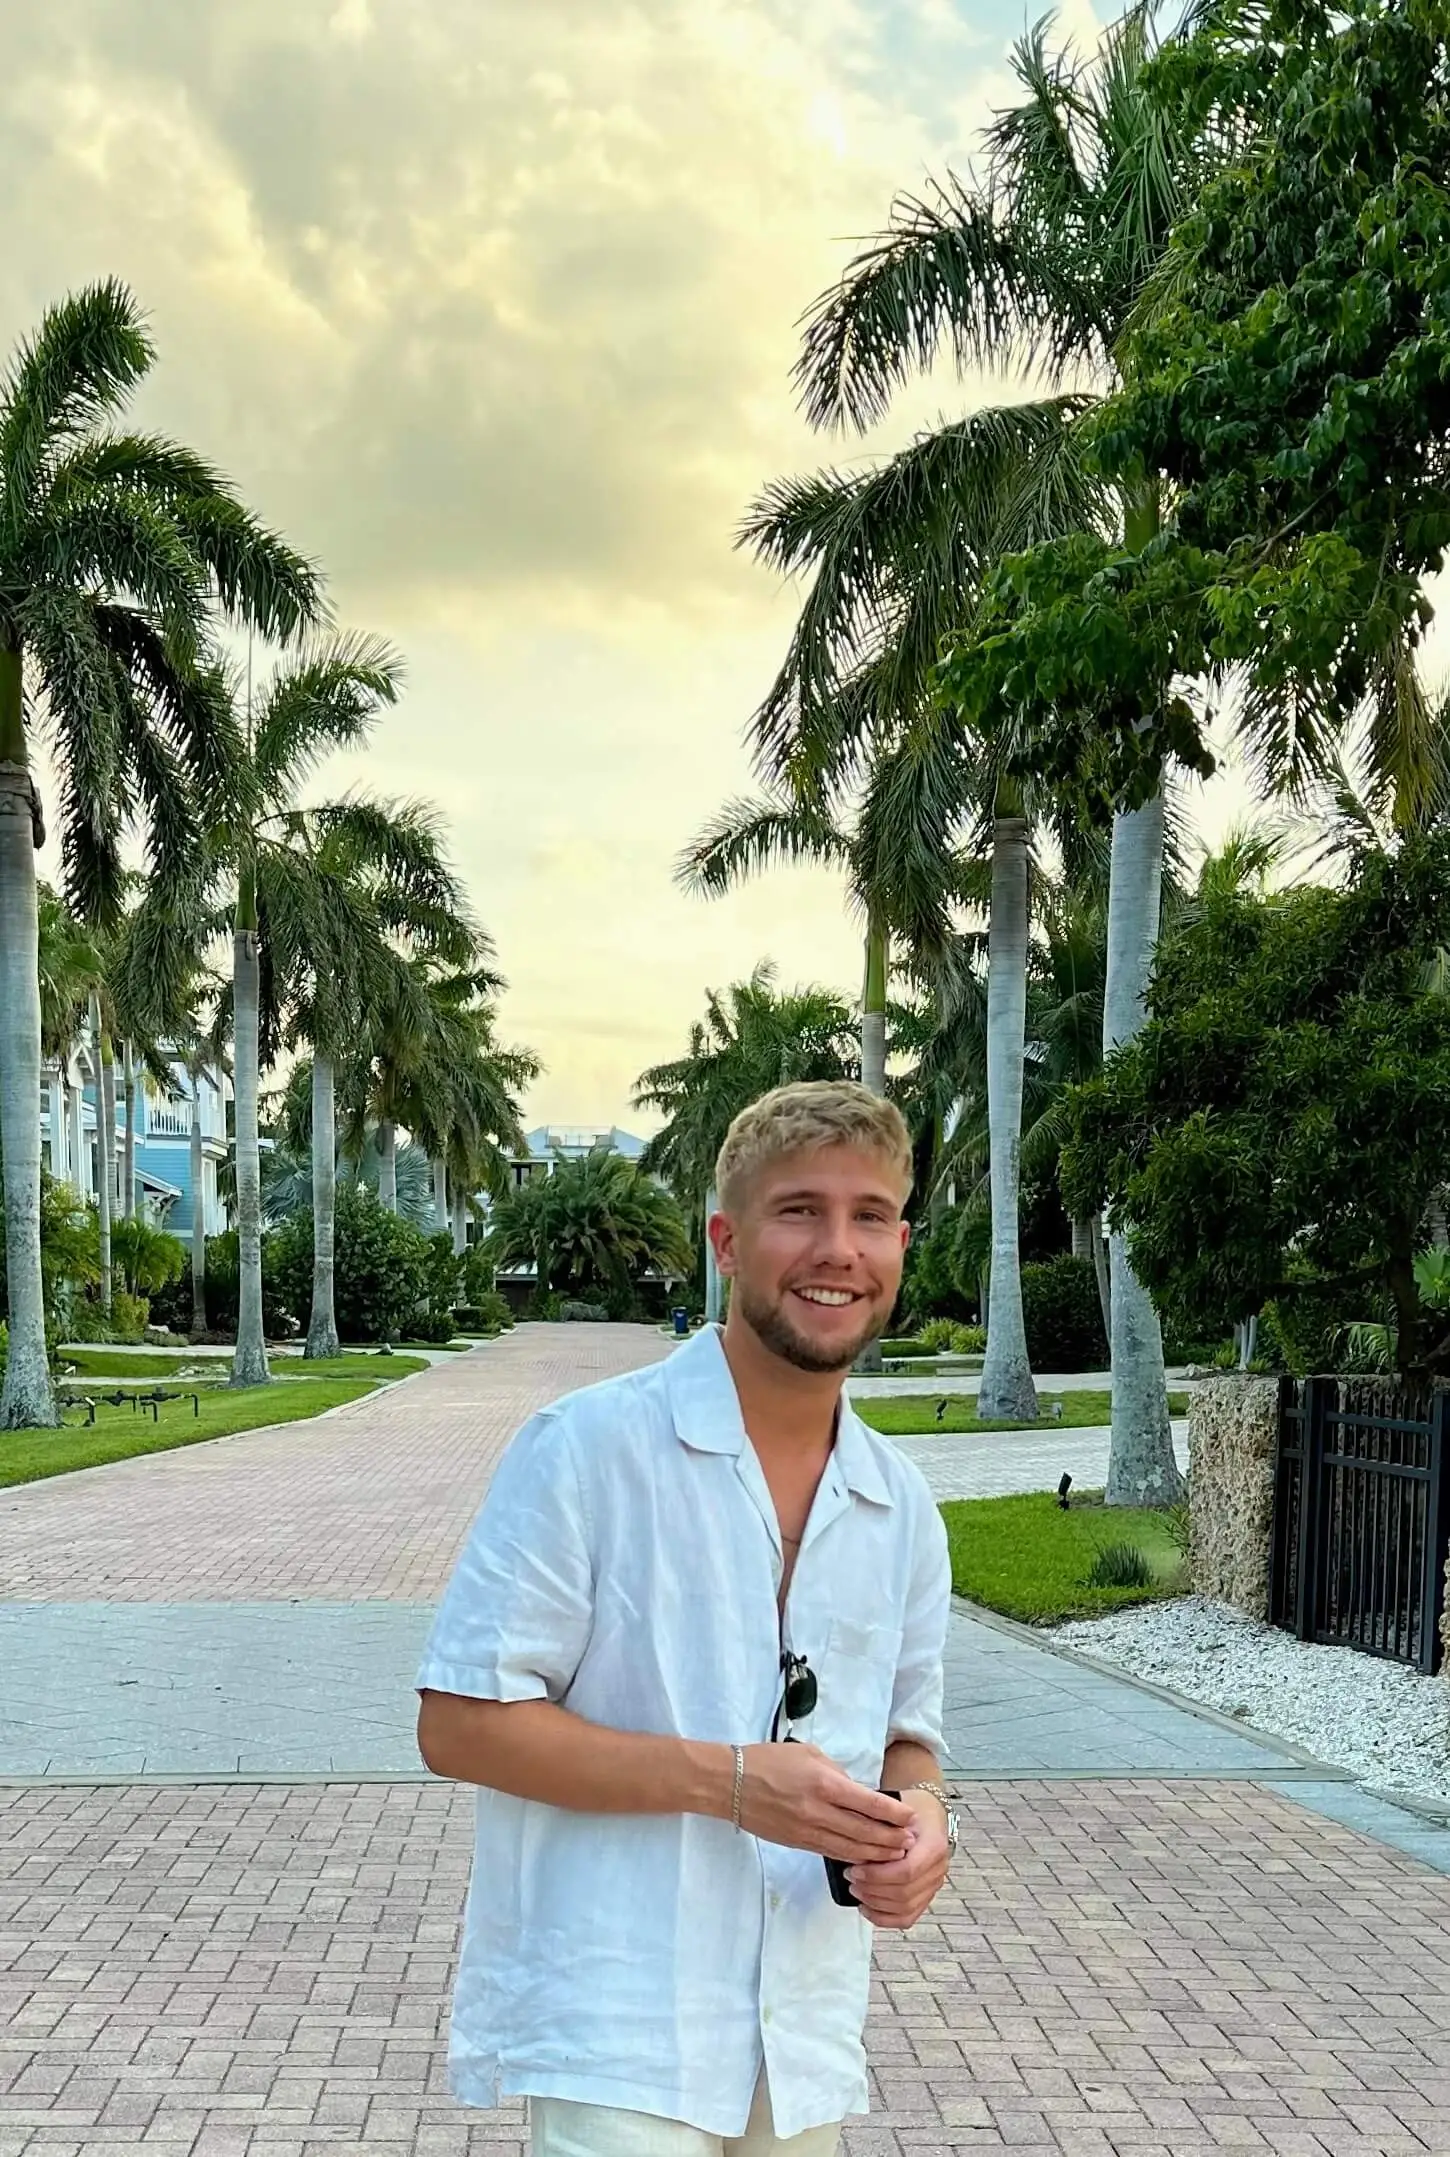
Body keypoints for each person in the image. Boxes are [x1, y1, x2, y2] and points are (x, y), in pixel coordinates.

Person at [416, 1080, 956, 2156]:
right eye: (798, 1211)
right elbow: (461, 1723)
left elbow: (907, 1734)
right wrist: (737, 1784)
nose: (836, 1250)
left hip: (800, 2028)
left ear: (899, 1244)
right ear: (726, 1239)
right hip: (618, 2018)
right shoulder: (586, 1450)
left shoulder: (899, 1505)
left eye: (866, 1218)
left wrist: (921, 1825)